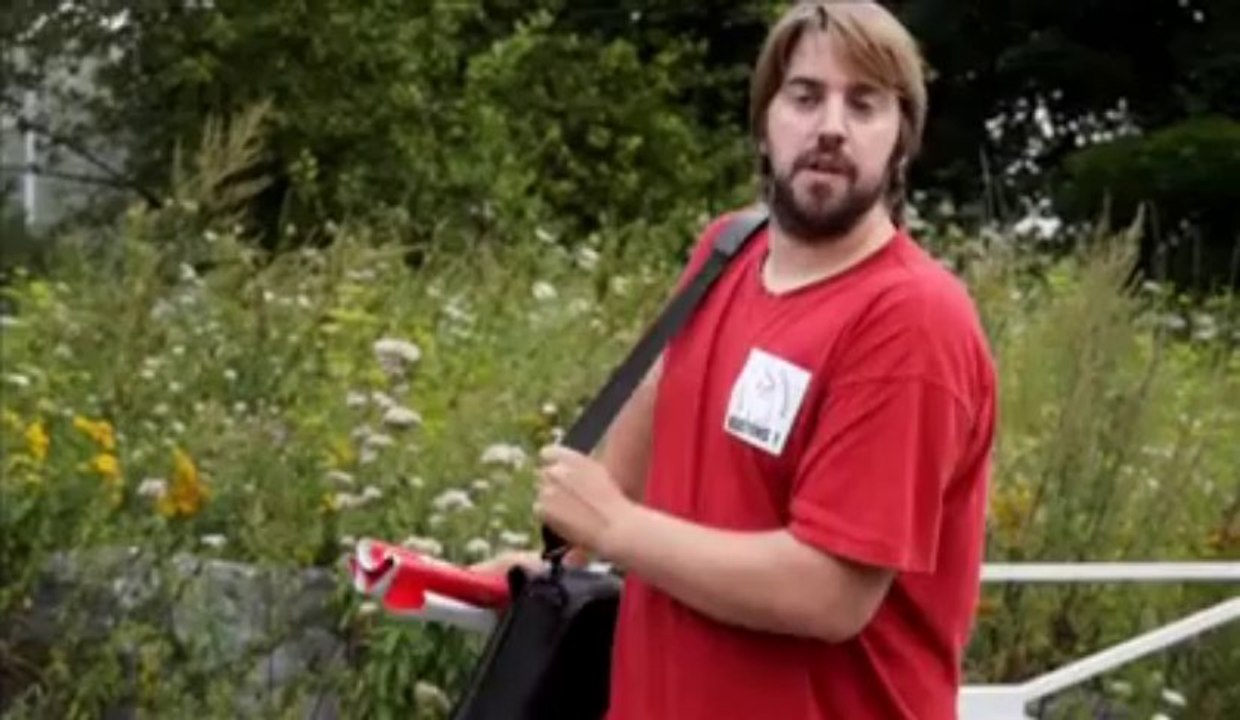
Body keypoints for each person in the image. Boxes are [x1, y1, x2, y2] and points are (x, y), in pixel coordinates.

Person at [474, 2, 997, 718]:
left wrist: (617, 529)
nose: (831, 127)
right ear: (764, 120)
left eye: (864, 104)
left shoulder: (909, 320)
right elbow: (666, 393)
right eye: (806, 96)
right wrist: (561, 563)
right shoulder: (729, 249)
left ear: (902, 139)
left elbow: (830, 594)